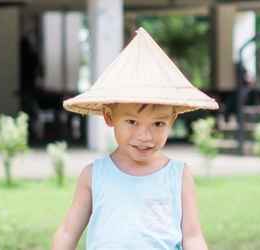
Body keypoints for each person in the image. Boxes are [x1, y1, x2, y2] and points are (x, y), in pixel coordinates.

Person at [52, 27, 218, 250]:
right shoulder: (93, 176)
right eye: (132, 122)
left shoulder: (178, 176)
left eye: (158, 124)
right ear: (109, 117)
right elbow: (67, 232)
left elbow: (193, 237)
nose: (144, 136)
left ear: (173, 119)